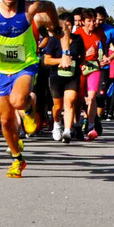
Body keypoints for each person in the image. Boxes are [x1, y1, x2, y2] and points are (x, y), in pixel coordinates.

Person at [0, 0, 69, 175]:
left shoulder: (30, 8)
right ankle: (18, 159)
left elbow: (49, 5)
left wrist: (55, 25)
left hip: (25, 65)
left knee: (17, 101)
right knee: (5, 121)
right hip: (0, 69)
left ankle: (30, 107)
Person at [43, 12, 85, 143]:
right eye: (64, 25)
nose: (66, 28)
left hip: (72, 76)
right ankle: (56, 124)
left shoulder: (78, 39)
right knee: (57, 106)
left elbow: (82, 54)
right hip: (56, 76)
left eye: (69, 25)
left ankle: (67, 131)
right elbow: (46, 61)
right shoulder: (53, 40)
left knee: (70, 101)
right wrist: (61, 60)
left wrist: (81, 64)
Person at [75, 8, 108, 140]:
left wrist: (104, 57)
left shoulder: (100, 33)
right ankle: (77, 123)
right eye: (89, 21)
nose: (92, 24)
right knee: (79, 98)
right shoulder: (78, 34)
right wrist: (81, 57)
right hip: (81, 67)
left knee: (92, 96)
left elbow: (104, 47)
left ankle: (90, 125)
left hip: (94, 66)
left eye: (94, 21)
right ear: (83, 22)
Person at [95, 6, 114, 120]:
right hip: (89, 65)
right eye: (96, 19)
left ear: (105, 18)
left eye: (101, 19)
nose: (98, 22)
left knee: (100, 94)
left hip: (103, 67)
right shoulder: (88, 28)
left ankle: (98, 117)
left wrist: (109, 58)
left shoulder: (110, 30)